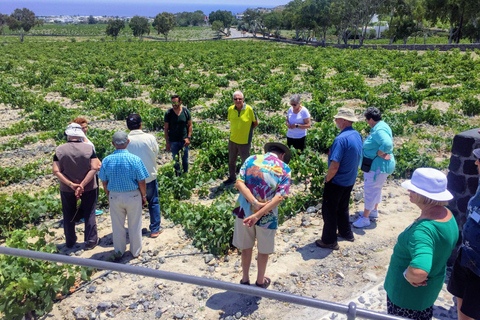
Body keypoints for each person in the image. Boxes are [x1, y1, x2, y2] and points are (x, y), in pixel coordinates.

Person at [384, 168, 458, 320]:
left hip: (406, 297)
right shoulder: (447, 215)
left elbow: (419, 271)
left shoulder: (423, 231)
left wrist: (408, 275)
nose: (409, 190)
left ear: (425, 195)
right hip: (426, 294)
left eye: (414, 189)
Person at [233, 142, 291, 289]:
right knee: (263, 249)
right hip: (267, 214)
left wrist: (254, 203)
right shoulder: (284, 168)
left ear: (268, 151)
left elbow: (239, 183)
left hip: (244, 210)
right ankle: (260, 281)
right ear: (282, 155)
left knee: (246, 247)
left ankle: (245, 280)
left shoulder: (251, 159)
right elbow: (279, 197)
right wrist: (259, 213)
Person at [316, 108, 362, 250]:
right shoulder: (357, 135)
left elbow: (335, 165)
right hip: (350, 179)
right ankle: (346, 232)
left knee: (329, 211)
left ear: (343, 120)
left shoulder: (340, 139)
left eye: (337, 119)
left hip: (337, 181)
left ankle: (329, 241)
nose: (335, 121)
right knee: (343, 207)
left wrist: (327, 180)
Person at [99, 131, 149, 259]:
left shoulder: (106, 160)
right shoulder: (135, 159)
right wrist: (143, 195)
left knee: (117, 225)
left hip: (114, 195)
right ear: (128, 142)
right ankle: (135, 251)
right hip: (132, 195)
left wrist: (109, 194)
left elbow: (104, 182)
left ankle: (119, 251)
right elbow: (141, 181)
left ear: (113, 144)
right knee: (135, 224)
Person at [53, 123, 99, 250]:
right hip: (89, 186)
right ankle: (90, 240)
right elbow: (94, 167)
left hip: (67, 188)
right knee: (89, 212)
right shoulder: (89, 148)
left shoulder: (59, 150)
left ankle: (70, 241)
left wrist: (71, 184)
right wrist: (82, 184)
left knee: (68, 213)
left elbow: (56, 170)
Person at [447, 148, 480, 320]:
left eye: (479, 160)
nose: (475, 162)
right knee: (459, 298)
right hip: (466, 255)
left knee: (470, 312)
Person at [353, 107, 395, 228]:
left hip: (377, 167)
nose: (367, 123)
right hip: (381, 166)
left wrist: (380, 153)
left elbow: (387, 144)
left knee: (370, 189)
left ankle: (365, 218)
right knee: (376, 188)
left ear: (371, 119)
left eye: (367, 120)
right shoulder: (382, 126)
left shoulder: (378, 130)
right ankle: (373, 211)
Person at [126, 113, 161, 238]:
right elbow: (156, 152)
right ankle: (155, 229)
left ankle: (135, 231)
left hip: (132, 179)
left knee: (134, 206)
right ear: (141, 124)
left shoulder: (125, 139)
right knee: (153, 201)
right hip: (148, 175)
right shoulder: (149, 137)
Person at [224, 90, 259, 185]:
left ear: (243, 99)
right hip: (233, 140)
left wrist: (246, 131)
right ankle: (232, 178)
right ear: (233, 100)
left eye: (240, 99)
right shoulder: (231, 109)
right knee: (231, 161)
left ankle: (247, 180)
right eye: (235, 99)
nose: (238, 101)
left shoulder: (249, 109)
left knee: (246, 162)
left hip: (244, 141)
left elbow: (255, 123)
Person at [164, 95, 192, 176]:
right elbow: (166, 129)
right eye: (172, 102)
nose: (174, 104)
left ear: (180, 102)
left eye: (176, 102)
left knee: (185, 160)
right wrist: (167, 142)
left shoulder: (186, 112)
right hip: (173, 141)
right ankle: (177, 177)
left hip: (184, 140)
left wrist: (188, 137)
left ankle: (185, 175)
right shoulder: (168, 113)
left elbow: (190, 125)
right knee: (175, 160)